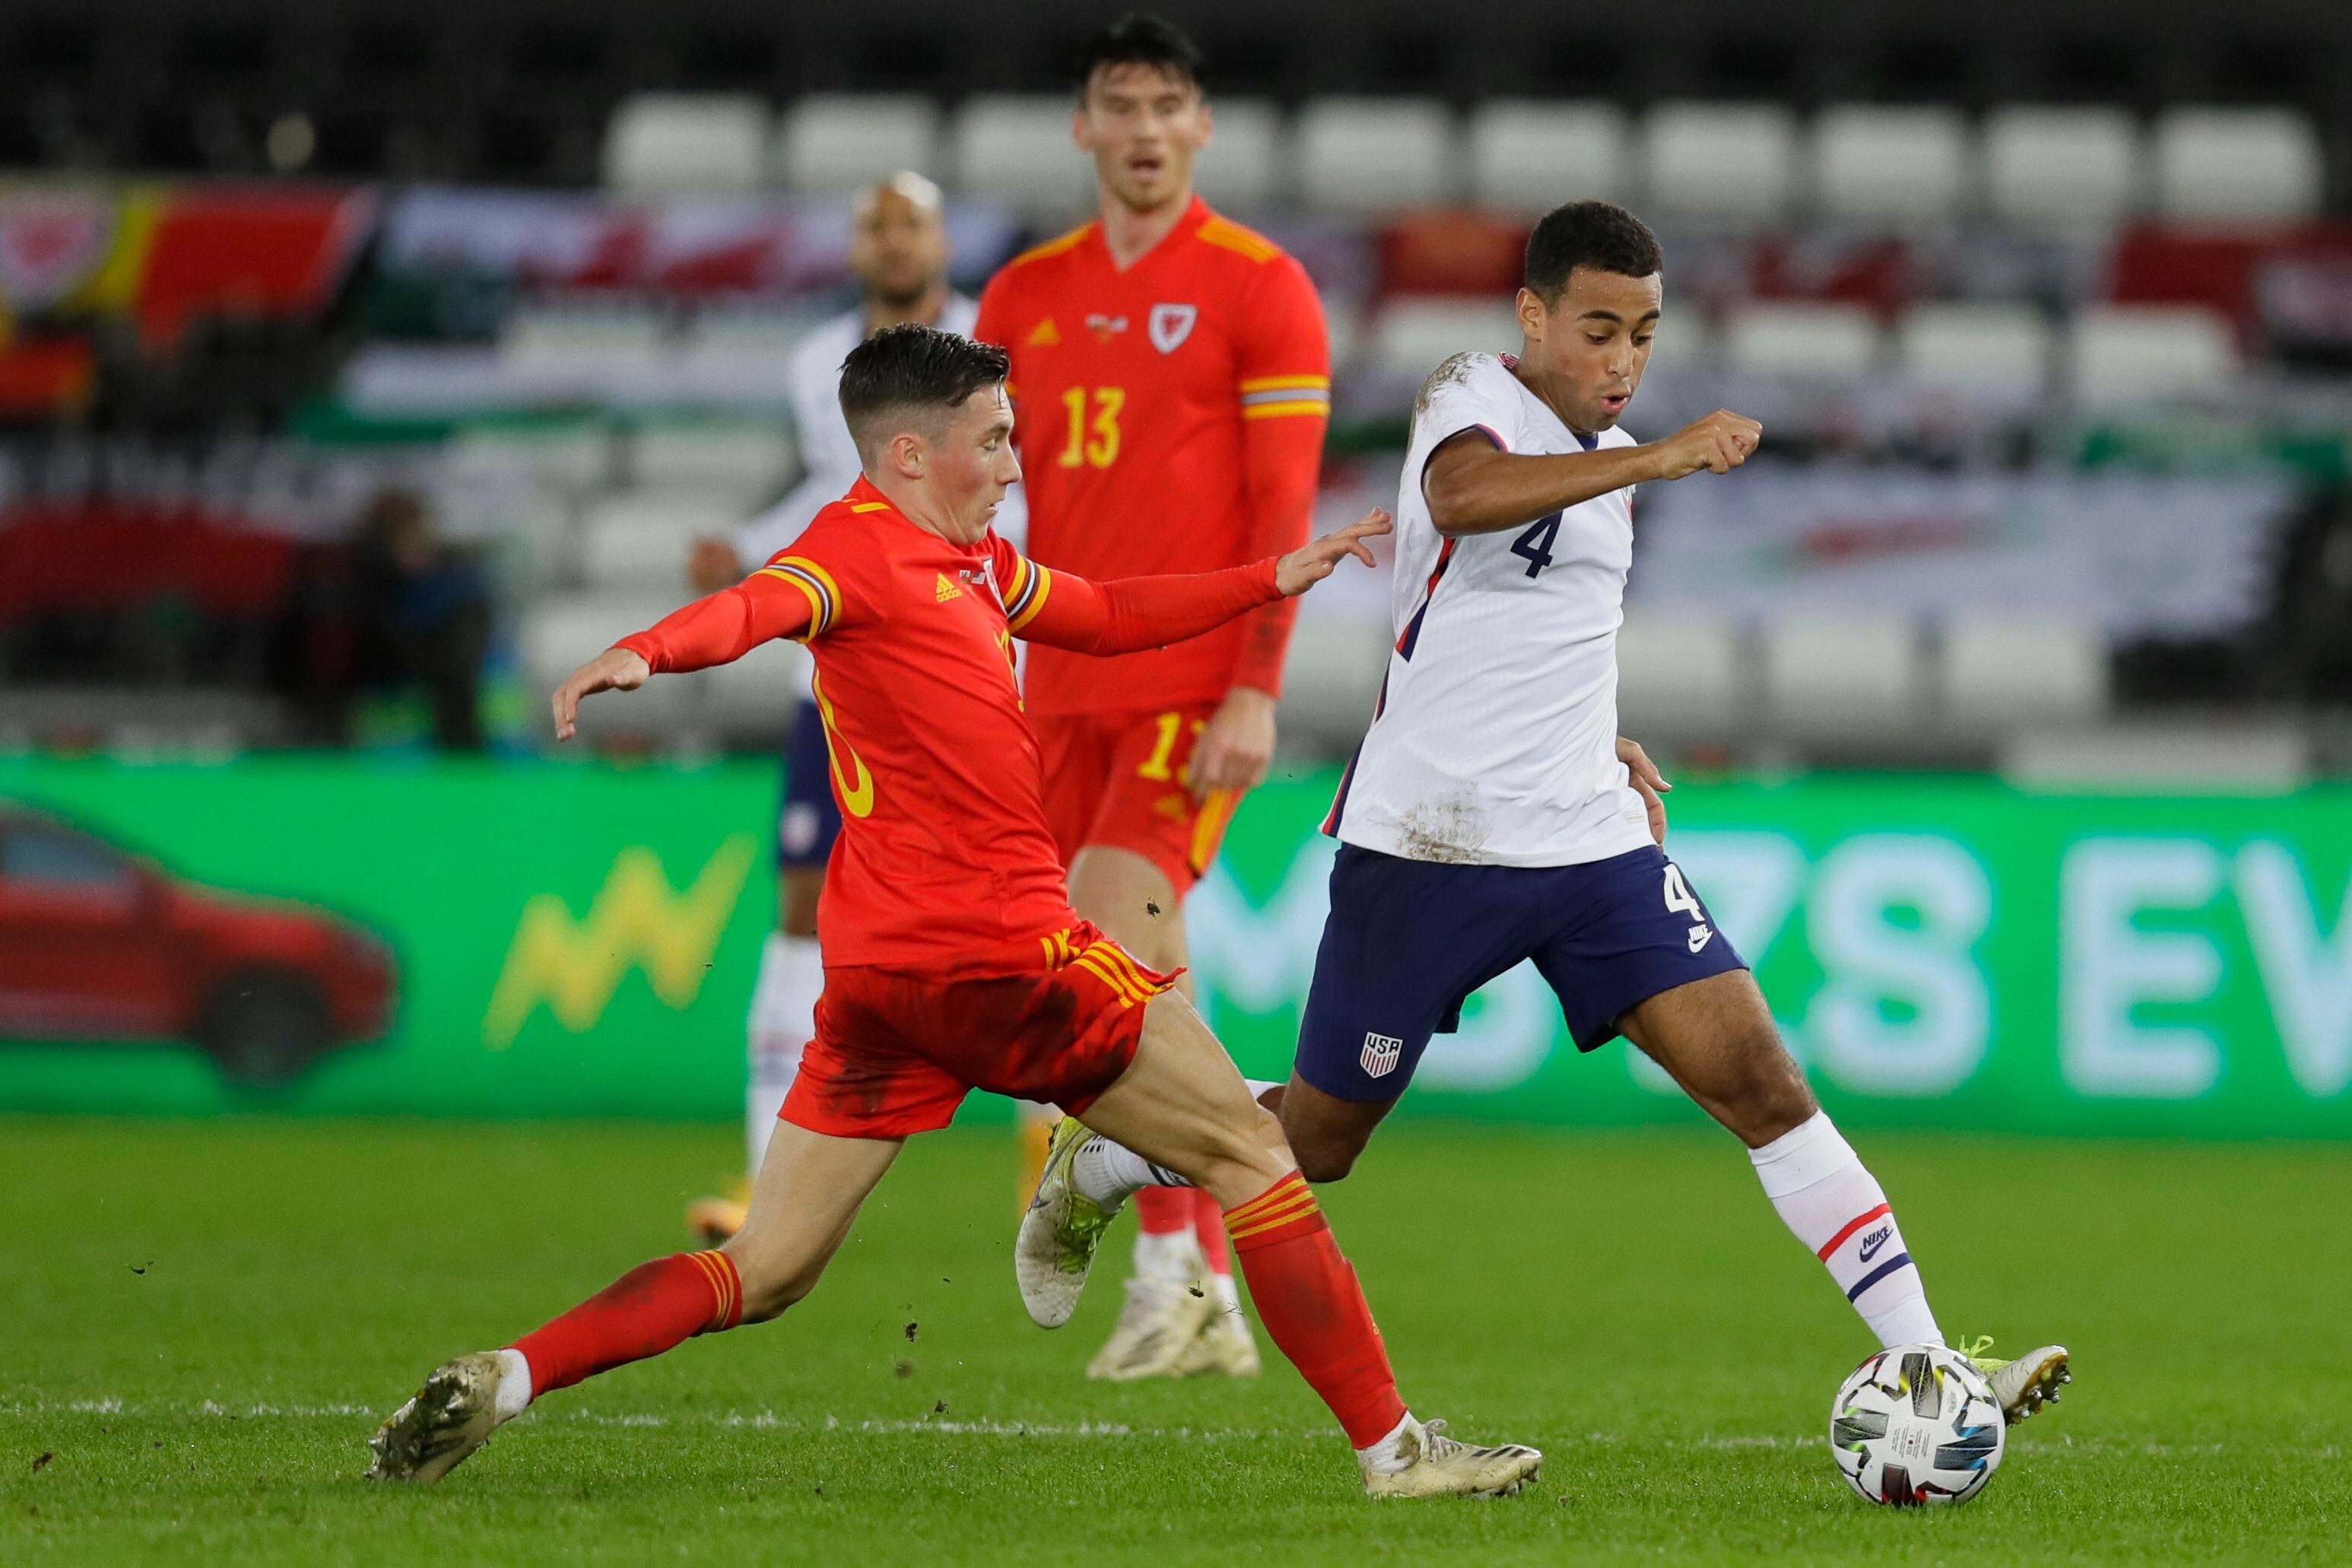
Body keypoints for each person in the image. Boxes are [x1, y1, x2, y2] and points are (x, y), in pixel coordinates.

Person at [365, 325, 1542, 1500]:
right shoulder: (851, 554)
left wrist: (1262, 579)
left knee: (764, 1269)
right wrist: (642, 652)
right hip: (1002, 951)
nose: (1017, 464)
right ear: (912, 453)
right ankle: (1389, 1448)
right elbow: (750, 608)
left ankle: (511, 1375)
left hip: (880, 985)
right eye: (995, 441)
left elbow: (1104, 613)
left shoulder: (974, 563)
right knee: (1253, 1149)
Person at [1017, 203, 2075, 1428]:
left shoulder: (1604, 474)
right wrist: (1653, 454)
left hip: (1586, 843)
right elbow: (1463, 498)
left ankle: (1928, 1363)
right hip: (1429, 843)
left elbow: (1533, 636)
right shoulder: (1474, 393)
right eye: (1596, 329)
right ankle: (1100, 1163)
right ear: (1532, 319)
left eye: (1643, 333)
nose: (1622, 360)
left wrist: (1601, 735)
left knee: (1763, 1081)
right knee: (1316, 1139)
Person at [972, 10, 1327, 1383]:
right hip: (1053, 677)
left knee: (1117, 943)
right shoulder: (1017, 298)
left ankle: (1174, 1266)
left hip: (1189, 679)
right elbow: (981, 488)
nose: (1139, 128)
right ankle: (1208, 1282)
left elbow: (1282, 504)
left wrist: (1256, 686)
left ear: (1200, 127)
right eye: (1116, 104)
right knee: (1110, 976)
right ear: (1083, 126)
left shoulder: (1259, 285)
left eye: (1163, 104)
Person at [680, 170, 1024, 1244]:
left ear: (939, 236)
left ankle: (1056, 1158)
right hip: (834, 682)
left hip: (966, 669)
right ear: (856, 243)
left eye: (909, 220)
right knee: (797, 908)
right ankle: (758, 1180)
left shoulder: (994, 343)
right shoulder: (813, 361)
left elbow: (1010, 488)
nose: (891, 238)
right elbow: (845, 494)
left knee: (1026, 916)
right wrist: (745, 549)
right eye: (874, 222)